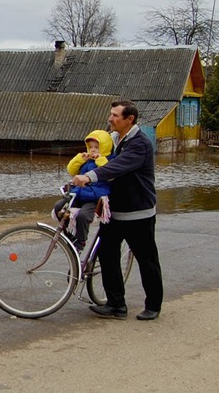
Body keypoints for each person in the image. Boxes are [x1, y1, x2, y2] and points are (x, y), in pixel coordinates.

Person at [72, 100, 163, 321]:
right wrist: (81, 164)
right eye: (110, 114)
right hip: (113, 211)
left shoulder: (139, 144)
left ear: (129, 119)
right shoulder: (112, 140)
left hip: (138, 212)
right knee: (107, 254)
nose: (110, 119)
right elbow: (99, 156)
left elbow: (117, 166)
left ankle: (153, 305)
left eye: (115, 116)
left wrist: (89, 176)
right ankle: (116, 305)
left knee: (146, 259)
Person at [53, 130, 113, 250]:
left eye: (97, 147)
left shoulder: (109, 160)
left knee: (83, 217)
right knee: (58, 207)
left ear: (104, 147)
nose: (93, 150)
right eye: (90, 147)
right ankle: (69, 235)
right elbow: (71, 170)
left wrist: (100, 159)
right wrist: (80, 158)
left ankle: (80, 242)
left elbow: (109, 173)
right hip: (79, 193)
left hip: (94, 196)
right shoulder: (87, 161)